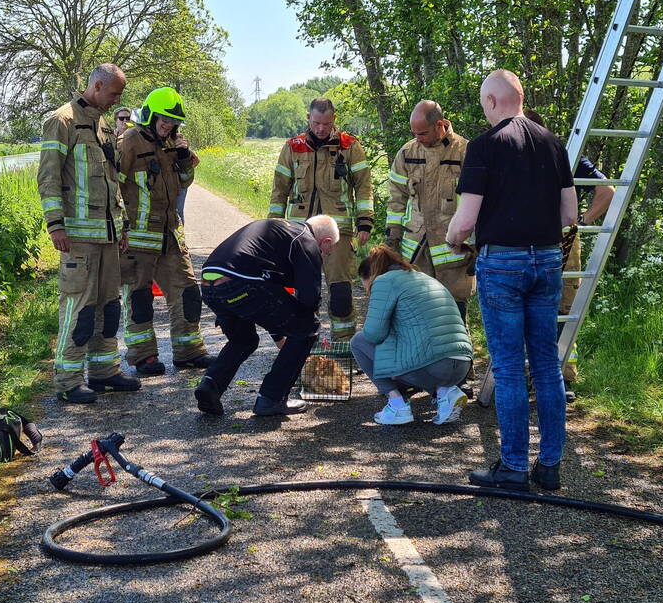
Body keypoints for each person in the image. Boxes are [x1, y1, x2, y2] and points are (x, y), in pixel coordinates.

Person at [446, 69, 577, 491]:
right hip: (548, 262)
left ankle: (514, 467)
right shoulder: (553, 143)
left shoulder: (485, 146)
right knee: (546, 365)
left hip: (503, 264)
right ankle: (551, 465)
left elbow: (464, 222)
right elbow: (570, 215)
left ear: (491, 101)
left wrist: (453, 239)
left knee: (506, 367)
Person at [37, 63, 141, 404]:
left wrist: (122, 224)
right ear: (97, 86)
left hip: (109, 235)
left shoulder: (103, 124)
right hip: (78, 238)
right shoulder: (62, 121)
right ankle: (67, 381)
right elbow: (48, 178)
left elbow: (112, 181)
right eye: (113, 94)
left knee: (109, 307)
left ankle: (103, 372)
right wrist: (56, 225)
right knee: (79, 309)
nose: (116, 101)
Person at [194, 216, 340, 417]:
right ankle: (271, 398)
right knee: (307, 328)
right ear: (325, 242)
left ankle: (210, 385)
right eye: (326, 252)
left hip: (210, 286)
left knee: (244, 340)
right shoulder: (306, 240)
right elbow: (309, 297)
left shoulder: (282, 233)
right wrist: (301, 331)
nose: (324, 255)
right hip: (240, 283)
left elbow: (273, 298)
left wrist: (280, 335)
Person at [117, 86, 213, 376]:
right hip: (139, 236)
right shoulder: (129, 142)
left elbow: (184, 181)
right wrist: (121, 226)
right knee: (140, 298)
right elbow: (114, 185)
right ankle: (143, 357)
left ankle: (188, 352)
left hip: (171, 235)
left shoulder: (173, 142)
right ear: (150, 115)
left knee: (187, 293)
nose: (168, 125)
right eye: (164, 119)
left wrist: (184, 157)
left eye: (173, 121)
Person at [524, 109, 614, 400]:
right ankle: (531, 374)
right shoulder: (519, 155)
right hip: (530, 242)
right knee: (529, 307)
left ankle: (561, 376)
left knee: (562, 309)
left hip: (560, 242)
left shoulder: (565, 155)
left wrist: (582, 221)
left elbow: (607, 191)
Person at [268, 98, 372, 342]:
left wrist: (365, 221)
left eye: (326, 123)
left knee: (341, 293)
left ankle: (345, 346)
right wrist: (274, 225)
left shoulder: (349, 146)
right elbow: (279, 190)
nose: (321, 129)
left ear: (334, 120)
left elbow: (364, 187)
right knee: (304, 292)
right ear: (308, 118)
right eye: (316, 123)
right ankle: (303, 343)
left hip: (339, 233)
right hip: (299, 233)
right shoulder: (292, 147)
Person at [350, 246, 473, 426]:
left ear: (371, 276)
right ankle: (446, 392)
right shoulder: (423, 277)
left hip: (434, 365)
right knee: (419, 348)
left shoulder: (384, 282)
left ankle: (397, 405)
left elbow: (374, 334)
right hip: (462, 364)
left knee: (358, 342)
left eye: (365, 283)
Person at [386, 101, 473, 318]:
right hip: (416, 252)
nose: (418, 138)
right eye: (414, 133)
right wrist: (392, 238)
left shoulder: (465, 152)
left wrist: (476, 246)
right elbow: (396, 199)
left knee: (455, 314)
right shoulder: (407, 152)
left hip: (454, 251)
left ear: (440, 125)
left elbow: (478, 203)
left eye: (422, 133)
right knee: (418, 313)